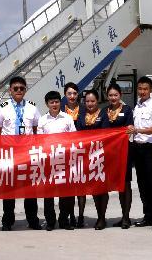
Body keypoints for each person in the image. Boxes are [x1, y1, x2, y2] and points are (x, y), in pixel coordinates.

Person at [0, 75, 41, 231]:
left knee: (30, 189)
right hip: (9, 153)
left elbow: (36, 130)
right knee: (9, 189)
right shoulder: (2, 108)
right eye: (16, 88)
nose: (19, 91)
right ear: (10, 90)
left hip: (27, 153)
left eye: (22, 88)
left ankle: (32, 220)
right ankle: (8, 220)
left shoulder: (32, 107)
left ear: (25, 90)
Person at [127, 76, 152, 231]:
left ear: (150, 90)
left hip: (150, 149)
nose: (142, 92)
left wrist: (137, 130)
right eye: (140, 89)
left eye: (145, 89)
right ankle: (147, 215)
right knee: (142, 184)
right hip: (138, 148)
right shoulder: (136, 107)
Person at [39, 90, 76, 231]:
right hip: (48, 160)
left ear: (60, 102)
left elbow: (74, 137)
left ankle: (63, 220)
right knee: (48, 193)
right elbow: (39, 141)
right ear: (47, 104)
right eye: (51, 102)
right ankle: (50, 221)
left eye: (56, 102)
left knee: (64, 192)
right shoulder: (42, 120)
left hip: (64, 159)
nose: (54, 104)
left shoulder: (67, 118)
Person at [101, 82, 135, 229]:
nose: (113, 97)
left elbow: (128, 130)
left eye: (115, 95)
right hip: (107, 154)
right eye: (110, 95)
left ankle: (126, 217)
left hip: (123, 152)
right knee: (104, 185)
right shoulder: (103, 111)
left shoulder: (127, 110)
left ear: (120, 95)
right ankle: (101, 218)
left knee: (125, 184)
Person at [74, 90, 107, 229]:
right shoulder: (81, 116)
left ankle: (101, 217)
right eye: (87, 101)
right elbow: (77, 135)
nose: (90, 104)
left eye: (92, 101)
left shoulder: (103, 115)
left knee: (100, 188)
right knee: (85, 187)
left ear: (97, 101)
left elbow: (106, 133)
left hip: (100, 155)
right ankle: (81, 216)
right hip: (84, 156)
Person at [61, 82, 85, 227]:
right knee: (68, 185)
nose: (72, 96)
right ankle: (70, 215)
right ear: (65, 94)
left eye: (74, 93)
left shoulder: (83, 109)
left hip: (81, 150)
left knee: (81, 186)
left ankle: (81, 215)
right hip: (65, 152)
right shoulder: (60, 111)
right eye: (69, 93)